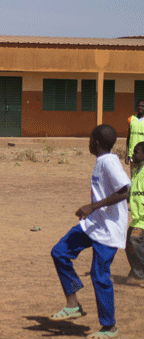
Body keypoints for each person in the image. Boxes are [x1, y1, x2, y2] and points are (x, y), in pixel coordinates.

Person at [49, 124, 130, 339]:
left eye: (90, 139)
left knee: (99, 275)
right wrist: (93, 211)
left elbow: (124, 190)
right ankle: (73, 304)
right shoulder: (102, 161)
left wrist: (92, 206)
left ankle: (109, 327)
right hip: (93, 224)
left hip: (109, 229)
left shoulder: (110, 162)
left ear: (94, 141)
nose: (88, 142)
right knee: (59, 252)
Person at [126, 141, 144, 286]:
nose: (133, 154)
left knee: (134, 240)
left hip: (143, 219)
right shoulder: (137, 171)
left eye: (136, 152)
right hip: (136, 219)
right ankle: (136, 271)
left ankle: (140, 273)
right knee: (129, 246)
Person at [125, 99, 144, 173]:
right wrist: (127, 153)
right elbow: (129, 137)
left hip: (143, 154)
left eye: (142, 106)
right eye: (139, 106)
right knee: (133, 177)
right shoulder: (131, 119)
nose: (140, 108)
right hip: (133, 154)